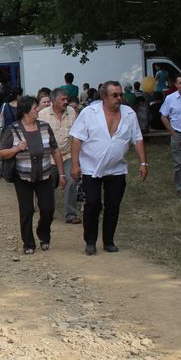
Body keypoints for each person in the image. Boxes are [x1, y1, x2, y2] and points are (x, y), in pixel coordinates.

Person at [70, 81, 147, 255]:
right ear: (104, 97)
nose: (119, 98)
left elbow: (138, 138)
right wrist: (75, 165)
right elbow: (76, 139)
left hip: (117, 168)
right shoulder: (89, 113)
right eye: (115, 95)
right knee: (93, 203)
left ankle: (109, 240)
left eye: (120, 94)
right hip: (91, 167)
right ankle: (90, 241)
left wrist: (143, 163)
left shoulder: (129, 114)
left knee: (113, 205)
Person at [0, 96, 66, 255]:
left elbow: (55, 150)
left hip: (45, 174)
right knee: (27, 210)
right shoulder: (13, 129)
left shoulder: (44, 127)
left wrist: (62, 173)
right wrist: (15, 149)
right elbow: (1, 152)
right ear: (26, 110)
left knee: (48, 208)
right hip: (22, 176)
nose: (38, 110)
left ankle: (44, 234)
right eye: (35, 108)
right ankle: (28, 243)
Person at [38, 87, 80, 224]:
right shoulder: (42, 114)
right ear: (54, 101)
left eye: (67, 99)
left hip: (67, 155)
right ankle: (49, 212)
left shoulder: (72, 112)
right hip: (48, 157)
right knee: (48, 185)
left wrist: (77, 160)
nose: (66, 102)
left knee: (71, 180)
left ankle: (71, 213)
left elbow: (76, 136)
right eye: (63, 99)